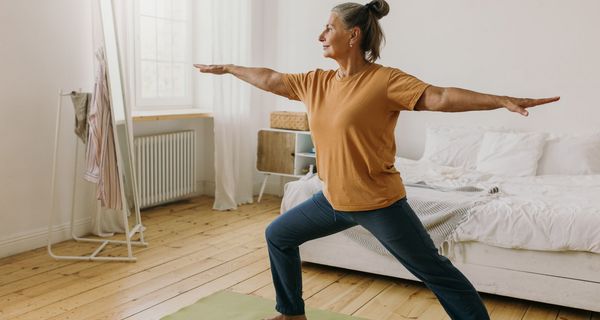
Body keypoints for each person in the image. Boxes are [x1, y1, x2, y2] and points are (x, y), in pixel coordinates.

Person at [194, 1, 559, 319]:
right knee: (278, 235)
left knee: (435, 271)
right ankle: (291, 314)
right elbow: (271, 78)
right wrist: (229, 68)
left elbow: (441, 96)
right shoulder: (316, 82)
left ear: (353, 36)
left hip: (379, 203)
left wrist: (501, 99)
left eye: (328, 28)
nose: (320, 35)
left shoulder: (384, 81)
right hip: (332, 200)